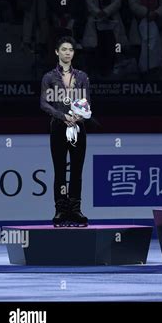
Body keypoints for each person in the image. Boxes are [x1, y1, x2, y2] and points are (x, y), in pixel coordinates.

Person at [40, 36, 91, 227]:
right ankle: (61, 210)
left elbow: (87, 102)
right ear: (57, 52)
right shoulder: (49, 77)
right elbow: (44, 103)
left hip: (78, 127)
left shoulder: (82, 77)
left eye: (70, 49)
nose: (67, 52)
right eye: (64, 49)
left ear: (73, 53)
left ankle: (75, 210)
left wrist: (78, 116)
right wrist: (63, 116)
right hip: (58, 127)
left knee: (77, 171)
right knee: (60, 171)